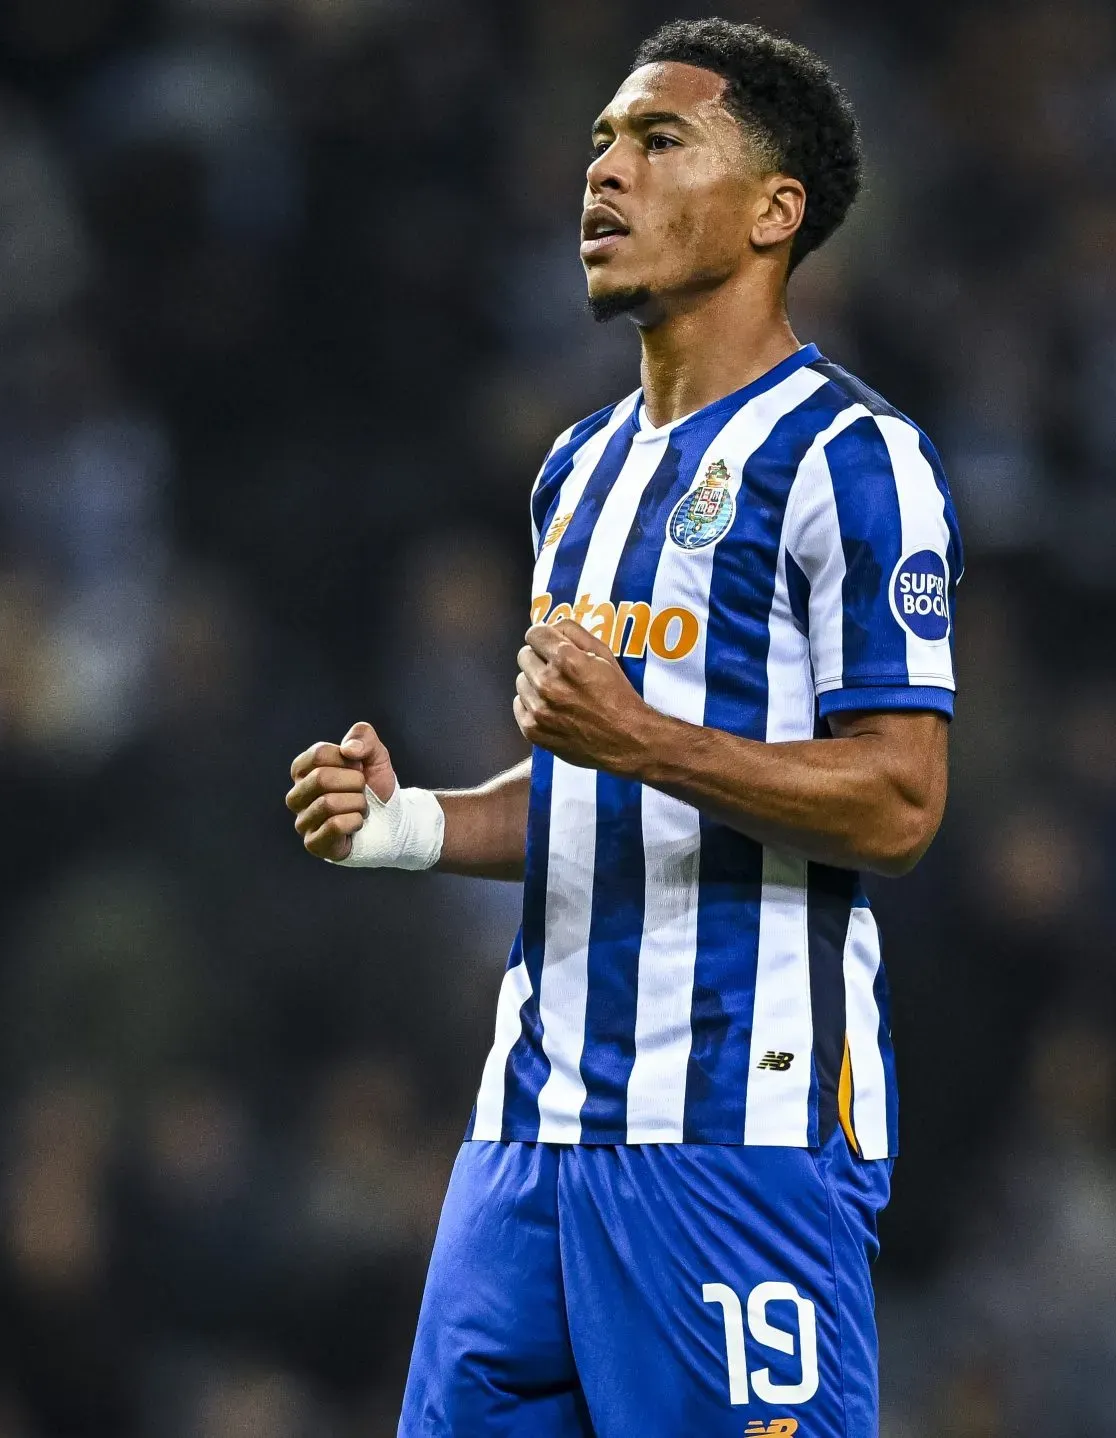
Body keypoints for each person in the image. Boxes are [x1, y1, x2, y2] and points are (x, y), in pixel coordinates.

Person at [283, 19, 956, 1435]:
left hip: (735, 1131)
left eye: (660, 141)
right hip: (528, 1129)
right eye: (600, 140)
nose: (605, 173)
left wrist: (641, 734)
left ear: (778, 212)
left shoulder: (853, 459)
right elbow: (586, 793)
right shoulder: (577, 470)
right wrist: (405, 825)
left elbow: (901, 801)